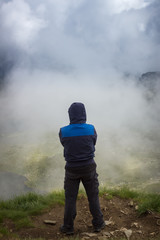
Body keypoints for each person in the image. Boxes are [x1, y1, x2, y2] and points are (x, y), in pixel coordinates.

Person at [59, 102, 105, 235]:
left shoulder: (63, 131)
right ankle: (98, 224)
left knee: (70, 198)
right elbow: (93, 142)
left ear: (70, 115)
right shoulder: (91, 128)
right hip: (89, 167)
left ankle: (68, 227)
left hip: (72, 169)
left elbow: (64, 143)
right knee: (93, 196)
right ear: (84, 113)